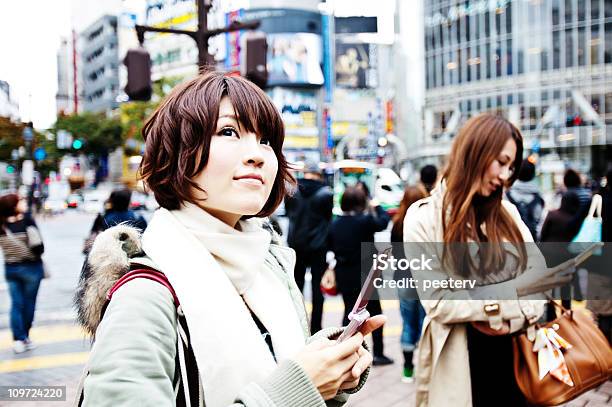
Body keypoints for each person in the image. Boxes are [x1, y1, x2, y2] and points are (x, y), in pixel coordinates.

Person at [75, 71, 384, 406]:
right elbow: (286, 391)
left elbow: (280, 373)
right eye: (228, 131)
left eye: (266, 140)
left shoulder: (270, 264)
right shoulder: (144, 298)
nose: (258, 155)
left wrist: (329, 370)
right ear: (178, 151)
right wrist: (298, 387)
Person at [403, 114, 576, 407]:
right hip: (460, 363)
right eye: (501, 162)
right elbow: (439, 299)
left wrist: (501, 314)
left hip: (519, 356)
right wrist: (504, 304)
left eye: (511, 167)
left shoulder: (507, 215)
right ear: (475, 151)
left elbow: (540, 283)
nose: (505, 175)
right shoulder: (423, 218)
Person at [328, 186, 394, 366]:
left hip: (345, 275)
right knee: (375, 313)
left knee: (349, 314)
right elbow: (383, 221)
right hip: (366, 276)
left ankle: (344, 352)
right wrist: (377, 205)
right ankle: (378, 353)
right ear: (361, 202)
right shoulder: (364, 221)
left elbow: (330, 246)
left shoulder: (335, 224)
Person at [285, 160, 334, 334]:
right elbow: (328, 221)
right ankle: (316, 328)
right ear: (318, 174)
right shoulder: (326, 193)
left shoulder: (291, 191)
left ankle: (298, 326)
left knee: (296, 288)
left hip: (296, 245)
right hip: (318, 246)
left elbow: (290, 214)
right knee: (317, 290)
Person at [391, 186, 428, 382]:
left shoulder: (398, 224)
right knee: (425, 323)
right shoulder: (428, 224)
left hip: (403, 277)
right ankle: (425, 368)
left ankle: (407, 369)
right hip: (424, 280)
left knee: (407, 323)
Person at [0, 193, 45, 354]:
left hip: (11, 268)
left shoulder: (2, 224)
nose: (23, 202)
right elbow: (39, 247)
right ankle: (25, 337)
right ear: (14, 205)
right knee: (29, 304)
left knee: (16, 304)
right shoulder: (27, 221)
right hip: (31, 268)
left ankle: (18, 339)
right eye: (20, 201)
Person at [506, 159, 544, 240]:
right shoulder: (538, 197)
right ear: (533, 174)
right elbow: (538, 220)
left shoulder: (507, 194)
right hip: (531, 239)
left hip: (511, 238)